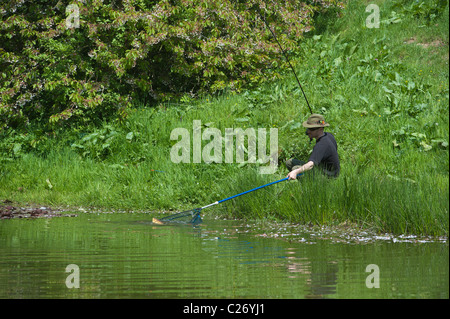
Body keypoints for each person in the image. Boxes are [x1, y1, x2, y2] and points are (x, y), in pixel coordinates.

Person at [286, 114, 340, 179]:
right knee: (290, 162)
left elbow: (310, 165)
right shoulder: (328, 135)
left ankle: (309, 188)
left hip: (328, 177)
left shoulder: (322, 145)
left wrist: (295, 172)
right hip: (321, 168)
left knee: (295, 169)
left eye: (312, 129)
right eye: (308, 128)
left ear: (320, 129)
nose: (308, 131)